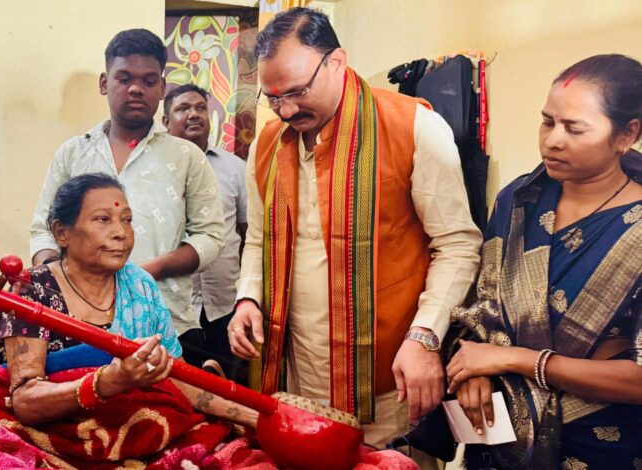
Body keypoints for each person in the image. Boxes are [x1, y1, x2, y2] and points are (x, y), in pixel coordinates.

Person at [227, 7, 482, 466]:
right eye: (274, 97)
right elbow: (259, 240)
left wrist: (425, 337)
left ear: (337, 62)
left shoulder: (412, 127)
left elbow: (458, 245)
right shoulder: (269, 142)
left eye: (297, 92)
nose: (287, 109)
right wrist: (249, 298)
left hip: (390, 380)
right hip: (296, 377)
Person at [446, 54, 642, 469]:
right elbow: (484, 310)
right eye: (547, 121)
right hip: (500, 436)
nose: (553, 140)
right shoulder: (519, 201)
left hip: (599, 444)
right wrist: (475, 370)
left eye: (574, 128)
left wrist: (516, 359)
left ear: (627, 134)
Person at [0, 173, 256, 428]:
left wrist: (254, 416)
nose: (121, 232)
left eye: (127, 220)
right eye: (103, 219)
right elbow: (25, 401)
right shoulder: (32, 290)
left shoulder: (139, 284)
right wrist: (106, 382)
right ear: (61, 232)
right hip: (57, 432)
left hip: (137, 424)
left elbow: (176, 376)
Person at [28, 29, 225, 361]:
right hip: (78, 326)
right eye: (124, 78)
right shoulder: (73, 153)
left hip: (170, 325)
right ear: (105, 83)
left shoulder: (186, 156)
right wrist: (56, 277)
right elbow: (42, 229)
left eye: (149, 81)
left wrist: (146, 272)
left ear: (162, 89)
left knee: (175, 396)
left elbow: (211, 237)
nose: (136, 88)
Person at [163, 84, 248, 382]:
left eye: (200, 108)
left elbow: (246, 234)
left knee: (231, 387)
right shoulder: (154, 170)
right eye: (183, 109)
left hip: (225, 304)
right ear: (165, 121)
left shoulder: (235, 168)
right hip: (174, 308)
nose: (194, 114)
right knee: (183, 389)